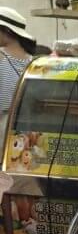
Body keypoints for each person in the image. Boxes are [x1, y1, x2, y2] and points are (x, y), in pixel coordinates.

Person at [0, 8, 36, 139]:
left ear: (6, 31)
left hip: (3, 127)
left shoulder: (1, 56)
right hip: (27, 129)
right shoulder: (33, 60)